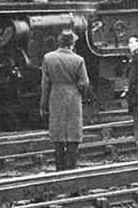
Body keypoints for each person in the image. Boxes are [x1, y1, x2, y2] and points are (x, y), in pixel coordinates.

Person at [40, 31, 90, 170]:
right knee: (73, 133)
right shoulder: (78, 60)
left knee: (58, 134)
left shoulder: (48, 58)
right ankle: (70, 167)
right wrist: (80, 92)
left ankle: (59, 168)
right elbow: (84, 83)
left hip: (55, 96)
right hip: (73, 98)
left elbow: (45, 84)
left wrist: (43, 104)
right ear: (72, 44)